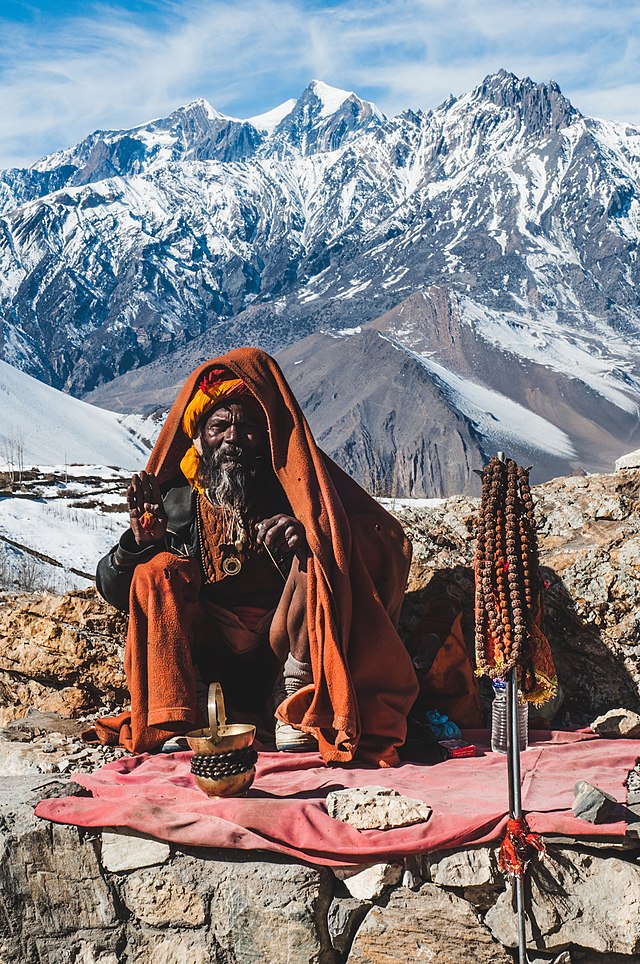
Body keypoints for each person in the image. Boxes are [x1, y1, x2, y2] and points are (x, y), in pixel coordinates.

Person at [95, 347, 419, 766]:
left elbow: (376, 540)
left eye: (247, 428)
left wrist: (305, 539)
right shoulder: (174, 503)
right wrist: (139, 545)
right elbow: (115, 591)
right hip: (207, 654)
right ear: (199, 437)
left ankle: (292, 701)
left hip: (278, 648)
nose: (232, 438)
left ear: (265, 437)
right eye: (219, 426)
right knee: (157, 571)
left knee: (317, 555)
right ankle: (181, 713)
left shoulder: (293, 496)